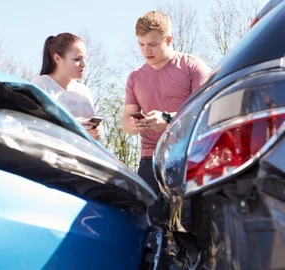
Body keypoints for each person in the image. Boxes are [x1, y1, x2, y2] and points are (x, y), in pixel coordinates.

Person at [121, 10, 210, 269]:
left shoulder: (192, 66)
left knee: (193, 233)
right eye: (141, 45)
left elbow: (205, 114)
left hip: (188, 159)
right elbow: (126, 124)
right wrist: (135, 123)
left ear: (168, 40)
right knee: (151, 233)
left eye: (152, 44)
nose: (146, 51)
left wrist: (170, 120)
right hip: (150, 161)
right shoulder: (135, 76)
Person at [31, 32, 100, 140]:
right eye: (77, 59)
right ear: (57, 59)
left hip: (82, 154)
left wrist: (94, 133)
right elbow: (33, 127)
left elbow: (93, 140)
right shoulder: (41, 85)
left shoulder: (85, 91)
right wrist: (71, 125)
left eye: (85, 58)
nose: (84, 64)